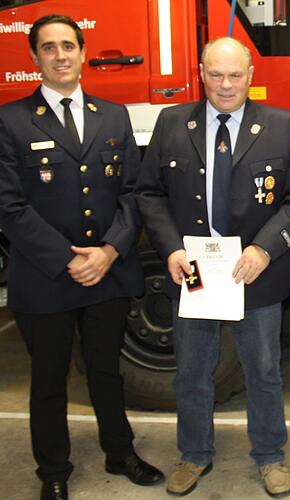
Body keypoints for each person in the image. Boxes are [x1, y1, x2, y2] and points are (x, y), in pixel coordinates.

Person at [135, 37, 290, 497]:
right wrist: (170, 248)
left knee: (264, 371)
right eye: (215, 74)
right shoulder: (171, 122)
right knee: (192, 371)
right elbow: (149, 193)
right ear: (201, 74)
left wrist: (264, 249)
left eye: (236, 75)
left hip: (252, 271)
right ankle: (194, 454)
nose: (226, 84)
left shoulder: (279, 124)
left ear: (250, 76)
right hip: (193, 272)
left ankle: (270, 455)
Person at [0, 14, 164, 500]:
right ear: (34, 57)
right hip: (46, 275)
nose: (60, 55)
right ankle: (53, 470)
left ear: (84, 52)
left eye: (68, 45)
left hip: (108, 272)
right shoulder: (10, 121)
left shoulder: (112, 116)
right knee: (48, 379)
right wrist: (67, 258)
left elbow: (133, 192)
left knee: (106, 370)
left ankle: (120, 452)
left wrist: (111, 250)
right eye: (49, 47)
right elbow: (9, 205)